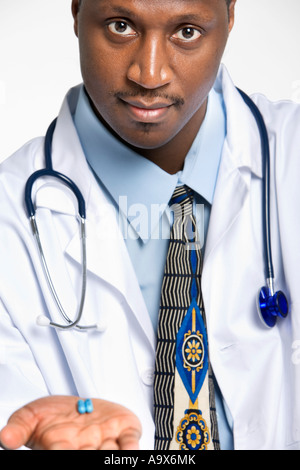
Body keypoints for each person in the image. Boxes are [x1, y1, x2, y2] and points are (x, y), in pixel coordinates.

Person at [0, 0, 300, 451]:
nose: (150, 73)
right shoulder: (9, 220)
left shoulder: (290, 156)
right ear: (77, 10)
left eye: (187, 32)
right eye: (121, 26)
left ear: (231, 14)